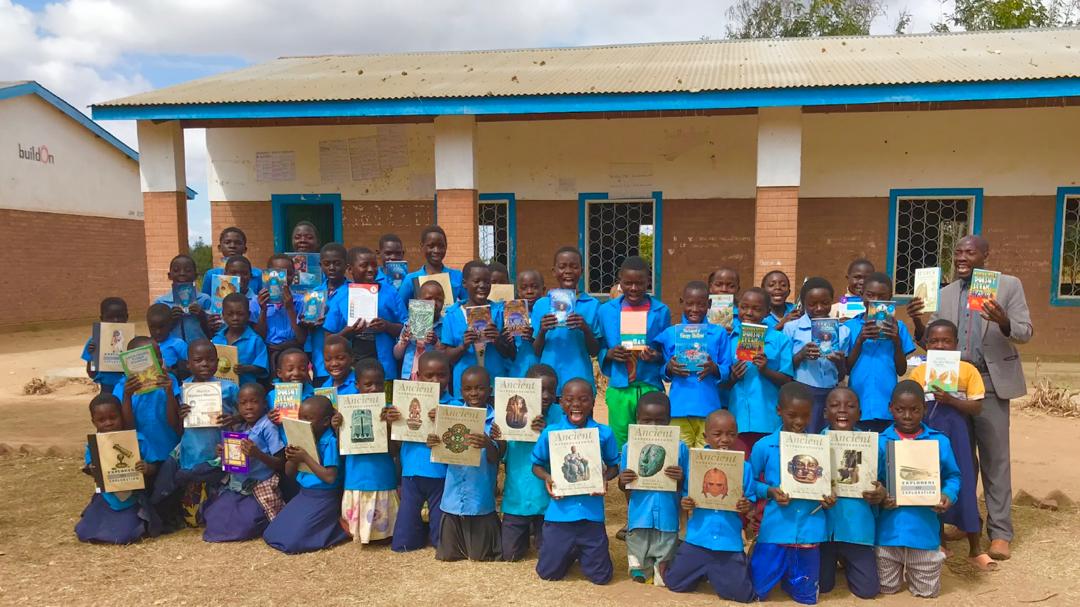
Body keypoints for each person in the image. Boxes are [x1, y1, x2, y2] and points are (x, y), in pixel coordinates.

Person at [908, 234, 1031, 562]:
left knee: (995, 459)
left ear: (986, 255)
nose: (962, 258)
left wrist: (1003, 321)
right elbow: (931, 342)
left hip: (990, 383)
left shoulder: (1008, 286)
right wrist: (918, 321)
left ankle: (1001, 532)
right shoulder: (945, 293)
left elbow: (1025, 331)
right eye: (958, 253)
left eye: (970, 253)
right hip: (951, 385)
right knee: (960, 459)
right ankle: (965, 521)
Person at [908, 319, 993, 570]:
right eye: (934, 341)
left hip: (958, 436)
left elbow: (977, 406)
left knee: (964, 484)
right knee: (931, 481)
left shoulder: (967, 370)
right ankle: (939, 540)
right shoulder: (919, 372)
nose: (940, 345)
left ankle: (975, 548)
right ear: (926, 345)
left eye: (946, 341)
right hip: (929, 434)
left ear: (955, 344)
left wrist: (951, 399)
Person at [876, 380, 962, 598]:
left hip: (923, 532)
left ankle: (928, 562)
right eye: (900, 410)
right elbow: (872, 480)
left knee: (927, 592)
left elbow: (953, 476)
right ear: (890, 408)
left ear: (924, 408)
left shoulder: (939, 442)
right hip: (888, 533)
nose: (907, 416)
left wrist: (947, 495)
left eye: (914, 410)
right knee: (887, 589)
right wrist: (880, 496)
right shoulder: (880, 442)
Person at [531, 377, 620, 585]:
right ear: (561, 402)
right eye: (570, 400)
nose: (576, 405)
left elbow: (614, 465)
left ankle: (582, 551)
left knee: (601, 578)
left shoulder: (604, 433)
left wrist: (605, 478)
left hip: (591, 515)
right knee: (548, 573)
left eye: (583, 399)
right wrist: (548, 478)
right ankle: (569, 552)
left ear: (592, 402)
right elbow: (536, 464)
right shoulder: (551, 432)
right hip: (560, 514)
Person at [750, 382, 832, 605]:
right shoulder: (764, 446)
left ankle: (791, 580)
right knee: (756, 591)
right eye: (792, 415)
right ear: (779, 411)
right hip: (776, 528)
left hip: (809, 529)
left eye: (805, 416)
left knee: (806, 598)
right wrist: (768, 491)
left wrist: (828, 498)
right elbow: (749, 483)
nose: (798, 422)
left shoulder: (820, 447)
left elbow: (828, 483)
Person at [664, 409, 756, 603]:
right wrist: (686, 501)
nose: (724, 439)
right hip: (698, 538)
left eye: (731, 434)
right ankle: (702, 570)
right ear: (706, 436)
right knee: (675, 584)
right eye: (717, 434)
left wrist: (746, 505)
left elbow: (751, 503)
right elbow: (687, 495)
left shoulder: (744, 467)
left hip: (728, 542)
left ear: (737, 436)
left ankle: (727, 568)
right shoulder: (694, 463)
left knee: (742, 596)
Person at [157, 339, 238, 527]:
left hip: (217, 451)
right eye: (198, 360)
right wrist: (179, 413)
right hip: (191, 449)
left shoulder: (229, 387)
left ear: (218, 363)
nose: (204, 364)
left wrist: (234, 419)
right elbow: (177, 428)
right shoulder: (184, 389)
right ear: (188, 364)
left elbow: (245, 416)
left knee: (206, 482)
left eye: (210, 360)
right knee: (171, 476)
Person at [430, 366, 505, 561]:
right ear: (461, 390)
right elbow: (441, 443)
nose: (473, 393)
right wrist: (434, 442)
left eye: (479, 388)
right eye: (468, 389)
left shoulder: (497, 420)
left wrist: (488, 443)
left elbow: (498, 457)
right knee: (448, 555)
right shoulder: (450, 414)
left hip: (479, 494)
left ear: (489, 391)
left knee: (479, 556)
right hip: (453, 492)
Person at [390, 350, 460, 552]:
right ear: (418, 376)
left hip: (441, 475)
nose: (435, 381)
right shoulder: (403, 403)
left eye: (441, 375)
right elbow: (394, 444)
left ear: (449, 376)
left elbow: (459, 443)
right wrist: (390, 421)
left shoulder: (455, 406)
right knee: (403, 543)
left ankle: (434, 533)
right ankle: (417, 533)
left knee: (442, 543)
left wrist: (445, 421)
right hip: (411, 472)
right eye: (429, 376)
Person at [819, 387, 884, 598]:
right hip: (825, 531)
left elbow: (883, 482)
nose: (843, 410)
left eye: (850, 406)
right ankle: (833, 562)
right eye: (835, 405)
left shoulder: (875, 446)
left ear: (860, 413)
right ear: (824, 412)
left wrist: (880, 493)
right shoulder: (813, 444)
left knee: (868, 592)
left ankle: (848, 561)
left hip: (858, 530)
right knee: (823, 586)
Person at [598, 256, 670, 447]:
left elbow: (667, 349)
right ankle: (624, 477)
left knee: (651, 442)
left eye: (640, 283)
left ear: (648, 281)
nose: (634, 288)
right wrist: (609, 354)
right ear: (620, 281)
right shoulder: (606, 311)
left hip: (650, 385)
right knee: (621, 443)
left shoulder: (661, 311)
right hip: (620, 387)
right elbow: (600, 345)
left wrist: (655, 356)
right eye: (628, 283)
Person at [263, 395, 350, 554]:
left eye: (308, 418)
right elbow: (290, 473)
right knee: (272, 533)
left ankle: (340, 528)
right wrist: (292, 459)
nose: (303, 422)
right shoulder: (301, 438)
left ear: (325, 421)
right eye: (301, 418)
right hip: (304, 494)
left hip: (325, 496)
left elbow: (329, 477)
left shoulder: (330, 441)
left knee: (293, 543)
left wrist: (305, 458)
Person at [617, 392, 688, 584]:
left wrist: (680, 478)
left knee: (666, 540)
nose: (653, 427)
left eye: (660, 421)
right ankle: (640, 567)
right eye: (647, 421)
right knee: (638, 540)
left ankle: (661, 566)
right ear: (637, 420)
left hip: (667, 509)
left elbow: (686, 484)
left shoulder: (680, 448)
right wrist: (623, 480)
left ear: (669, 420)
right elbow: (624, 486)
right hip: (641, 510)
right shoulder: (628, 448)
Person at [202, 383, 285, 542]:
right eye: (243, 403)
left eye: (254, 402)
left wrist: (257, 454)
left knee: (245, 524)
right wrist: (223, 453)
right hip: (238, 485)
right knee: (214, 518)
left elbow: (280, 463)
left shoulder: (267, 427)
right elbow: (234, 461)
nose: (249, 407)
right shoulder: (240, 427)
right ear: (237, 406)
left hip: (259, 485)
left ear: (264, 404)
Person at [653, 281, 731, 448]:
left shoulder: (718, 334)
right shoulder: (670, 334)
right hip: (678, 406)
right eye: (689, 304)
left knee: (705, 457)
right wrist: (669, 367)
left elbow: (727, 369)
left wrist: (714, 368)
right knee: (679, 455)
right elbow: (661, 368)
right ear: (682, 302)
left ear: (709, 304)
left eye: (701, 304)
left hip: (708, 407)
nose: (695, 309)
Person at [75, 394, 160, 544]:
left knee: (122, 537)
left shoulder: (138, 440)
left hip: (133, 498)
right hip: (107, 498)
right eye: (101, 420)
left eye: (113, 417)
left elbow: (155, 467)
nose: (108, 423)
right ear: (93, 422)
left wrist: (147, 468)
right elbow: (91, 469)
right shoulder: (94, 446)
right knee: (84, 532)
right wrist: (91, 468)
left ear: (122, 416)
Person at [333, 358, 399, 545]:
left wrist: (389, 425)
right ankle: (358, 532)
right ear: (357, 384)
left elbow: (394, 450)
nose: (373, 388)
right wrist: (337, 427)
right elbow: (342, 448)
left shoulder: (389, 411)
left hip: (382, 474)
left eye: (378, 383)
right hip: (356, 475)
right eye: (368, 384)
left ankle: (383, 534)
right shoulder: (346, 409)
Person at [498, 363, 560, 561]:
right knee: (510, 555)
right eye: (540, 389)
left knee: (548, 553)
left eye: (551, 390)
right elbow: (500, 456)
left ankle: (540, 533)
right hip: (517, 499)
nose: (546, 395)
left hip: (548, 502)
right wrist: (498, 438)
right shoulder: (510, 415)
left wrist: (547, 432)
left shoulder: (559, 416)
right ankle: (524, 533)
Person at [844, 272, 917, 433]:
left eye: (881, 296)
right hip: (858, 404)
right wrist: (860, 340)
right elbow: (846, 369)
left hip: (888, 404)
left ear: (890, 299)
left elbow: (901, 369)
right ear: (862, 295)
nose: (875, 301)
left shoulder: (898, 327)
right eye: (870, 295)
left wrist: (896, 341)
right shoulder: (849, 327)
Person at [724, 287, 793, 454]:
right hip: (737, 419)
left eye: (756, 309)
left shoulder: (779, 340)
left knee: (765, 468)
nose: (749, 312)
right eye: (744, 307)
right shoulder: (728, 339)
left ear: (767, 311)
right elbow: (721, 382)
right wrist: (733, 377)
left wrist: (766, 370)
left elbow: (787, 381)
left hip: (768, 419)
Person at [530, 247, 603, 396]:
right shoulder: (542, 304)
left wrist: (585, 328)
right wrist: (543, 331)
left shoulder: (592, 304)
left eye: (574, 266)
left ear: (581, 271)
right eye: (562, 267)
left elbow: (594, 351)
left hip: (580, 380)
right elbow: (536, 350)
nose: (568, 271)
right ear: (554, 271)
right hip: (548, 384)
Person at [783, 278, 850, 434]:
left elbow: (841, 375)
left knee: (827, 438)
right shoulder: (792, 328)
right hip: (802, 392)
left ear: (831, 301)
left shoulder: (843, 331)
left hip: (830, 393)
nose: (819, 308)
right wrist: (801, 355)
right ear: (804, 303)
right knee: (803, 436)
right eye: (812, 304)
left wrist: (839, 362)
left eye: (825, 303)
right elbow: (784, 369)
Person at [333, 246, 406, 382]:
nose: (371, 270)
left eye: (374, 265)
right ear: (350, 269)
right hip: (351, 369)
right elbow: (329, 338)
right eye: (364, 265)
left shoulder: (390, 292)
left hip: (385, 368)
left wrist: (387, 326)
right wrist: (348, 332)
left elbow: (406, 328)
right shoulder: (341, 296)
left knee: (386, 401)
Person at [441, 261, 513, 398]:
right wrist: (463, 346)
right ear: (464, 283)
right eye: (476, 281)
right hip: (465, 391)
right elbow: (446, 357)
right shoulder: (452, 315)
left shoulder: (501, 312)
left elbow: (509, 353)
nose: (482, 286)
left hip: (495, 388)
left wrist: (497, 339)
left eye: (487, 282)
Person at [113, 337, 181, 474]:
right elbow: (127, 428)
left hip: (168, 450)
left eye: (159, 356)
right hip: (140, 456)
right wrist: (127, 396)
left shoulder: (169, 381)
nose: (157, 362)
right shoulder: (121, 387)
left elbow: (176, 423)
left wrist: (169, 392)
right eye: (149, 358)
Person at [303, 242, 349, 383]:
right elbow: (307, 327)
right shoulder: (314, 293)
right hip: (320, 360)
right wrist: (309, 323)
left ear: (346, 265)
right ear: (320, 265)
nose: (332, 268)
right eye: (327, 264)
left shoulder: (353, 291)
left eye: (337, 263)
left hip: (345, 361)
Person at [255, 254, 307, 376]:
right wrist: (263, 310)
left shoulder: (301, 302)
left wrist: (290, 308)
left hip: (293, 357)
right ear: (267, 275)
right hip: (266, 357)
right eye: (276, 274)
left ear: (294, 276)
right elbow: (259, 337)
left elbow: (301, 338)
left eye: (287, 274)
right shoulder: (255, 302)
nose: (282, 279)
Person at [211, 293, 268, 387]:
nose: (235, 318)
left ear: (248, 315)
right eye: (230, 314)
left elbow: (262, 368)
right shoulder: (216, 339)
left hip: (246, 389)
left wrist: (247, 368)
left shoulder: (255, 340)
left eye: (240, 314)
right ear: (223, 315)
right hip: (221, 390)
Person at [398, 225, 465, 303]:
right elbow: (400, 310)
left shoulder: (457, 276)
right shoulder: (411, 279)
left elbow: (467, 304)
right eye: (431, 246)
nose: (436, 250)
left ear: (446, 246)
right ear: (422, 246)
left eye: (441, 246)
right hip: (421, 315)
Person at [154, 254, 212, 343]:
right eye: (176, 270)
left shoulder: (204, 299)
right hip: (173, 351)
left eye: (188, 270)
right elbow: (156, 332)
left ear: (196, 275)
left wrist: (202, 315)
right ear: (169, 275)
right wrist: (170, 320)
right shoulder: (161, 302)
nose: (182, 274)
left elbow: (213, 330)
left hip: (200, 351)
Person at [394, 279, 445, 380]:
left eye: (439, 300)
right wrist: (403, 341)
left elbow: (446, 355)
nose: (434, 303)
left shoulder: (444, 325)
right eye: (429, 298)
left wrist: (436, 343)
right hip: (409, 375)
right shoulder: (409, 324)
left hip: (433, 378)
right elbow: (397, 355)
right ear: (419, 300)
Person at [82, 297, 130, 394]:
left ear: (127, 317)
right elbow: (92, 373)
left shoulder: (133, 340)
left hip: (129, 388)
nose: (115, 320)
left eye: (120, 316)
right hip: (107, 388)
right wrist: (93, 356)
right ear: (102, 319)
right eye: (110, 317)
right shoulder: (94, 342)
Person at [504, 269, 545, 377]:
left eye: (535, 287)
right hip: (517, 373)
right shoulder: (511, 315)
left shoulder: (548, 315)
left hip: (542, 372)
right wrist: (509, 342)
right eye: (524, 288)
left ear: (543, 290)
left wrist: (534, 338)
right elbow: (511, 354)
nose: (529, 291)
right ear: (518, 292)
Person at [201, 227, 264, 296]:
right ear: (220, 248)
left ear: (245, 249)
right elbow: (206, 301)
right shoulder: (211, 275)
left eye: (238, 243)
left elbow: (261, 299)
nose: (232, 246)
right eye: (227, 242)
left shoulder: (257, 274)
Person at [147, 303, 189, 380]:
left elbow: (190, 365)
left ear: (170, 324)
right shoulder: (145, 345)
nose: (157, 332)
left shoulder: (178, 344)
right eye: (153, 328)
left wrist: (174, 371)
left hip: (174, 385)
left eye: (161, 327)